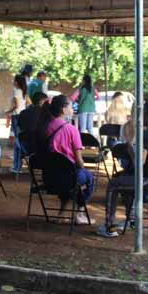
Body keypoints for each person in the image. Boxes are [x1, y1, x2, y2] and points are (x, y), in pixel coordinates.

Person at [96, 99, 148, 238]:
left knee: (113, 184)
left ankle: (109, 226)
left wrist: (130, 148)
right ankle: (132, 220)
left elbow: (140, 165)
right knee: (123, 178)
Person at [36, 95, 95, 224]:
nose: (73, 109)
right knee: (88, 177)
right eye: (71, 107)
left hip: (48, 178)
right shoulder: (71, 129)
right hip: (68, 178)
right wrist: (82, 167)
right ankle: (79, 213)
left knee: (67, 175)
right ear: (63, 110)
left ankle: (61, 213)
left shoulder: (45, 127)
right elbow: (79, 161)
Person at [6, 75, 29, 174]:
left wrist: (8, 112)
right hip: (22, 116)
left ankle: (17, 166)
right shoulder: (23, 92)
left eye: (14, 80)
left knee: (18, 141)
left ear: (16, 82)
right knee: (18, 140)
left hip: (16, 116)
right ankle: (17, 165)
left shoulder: (16, 91)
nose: (13, 81)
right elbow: (28, 103)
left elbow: (16, 105)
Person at [17, 91, 49, 156]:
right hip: (39, 147)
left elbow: (19, 128)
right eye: (46, 101)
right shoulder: (46, 113)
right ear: (41, 101)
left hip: (24, 145)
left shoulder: (23, 112)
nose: (48, 104)